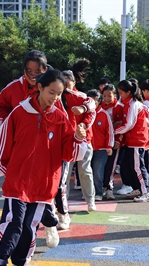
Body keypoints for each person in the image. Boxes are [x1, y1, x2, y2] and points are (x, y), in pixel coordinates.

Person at [0, 69, 88, 266]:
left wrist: (79, 139)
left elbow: (67, 154)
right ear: (40, 87)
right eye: (52, 92)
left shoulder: (60, 118)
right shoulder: (19, 113)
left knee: (28, 228)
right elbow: (2, 147)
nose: (55, 98)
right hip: (18, 183)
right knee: (13, 223)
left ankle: (19, 265)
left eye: (59, 94)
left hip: (44, 186)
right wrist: (10, 173)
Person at [60, 62, 97, 212]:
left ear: (74, 82)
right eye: (64, 84)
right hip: (65, 141)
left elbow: (92, 107)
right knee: (64, 174)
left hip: (83, 139)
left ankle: (90, 201)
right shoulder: (57, 96)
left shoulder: (81, 97)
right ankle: (62, 203)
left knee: (84, 171)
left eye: (69, 84)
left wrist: (83, 124)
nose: (66, 87)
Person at [114, 79, 149, 203]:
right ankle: (138, 188)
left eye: (121, 93)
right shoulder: (130, 103)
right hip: (132, 140)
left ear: (128, 92)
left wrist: (113, 131)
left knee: (138, 168)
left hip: (137, 140)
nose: (120, 96)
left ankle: (146, 192)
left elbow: (129, 124)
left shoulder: (133, 104)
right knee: (128, 166)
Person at [0, 50, 48, 127]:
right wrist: (7, 126)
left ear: (45, 70)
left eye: (37, 71)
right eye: (29, 71)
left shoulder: (50, 89)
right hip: (19, 137)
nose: (33, 75)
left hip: (44, 136)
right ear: (24, 69)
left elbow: (61, 116)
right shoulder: (13, 87)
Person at [87, 89, 114, 200]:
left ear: (99, 101)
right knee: (87, 172)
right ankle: (89, 193)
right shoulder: (84, 113)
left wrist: (109, 146)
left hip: (101, 149)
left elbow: (110, 132)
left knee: (98, 172)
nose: (92, 103)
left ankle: (98, 193)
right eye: (90, 100)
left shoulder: (104, 114)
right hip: (87, 147)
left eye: (95, 100)